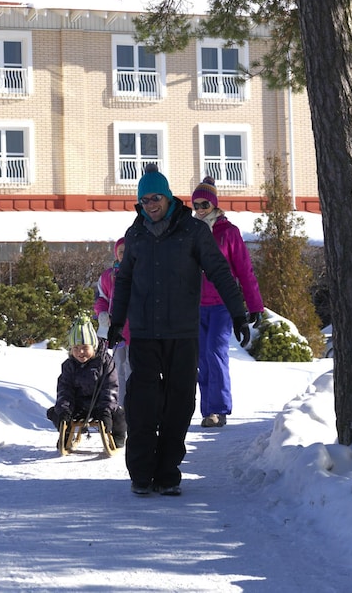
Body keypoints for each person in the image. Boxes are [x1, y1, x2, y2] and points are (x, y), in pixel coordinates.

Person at [107, 164, 249, 496]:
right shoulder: (136, 235)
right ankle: (141, 473)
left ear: (168, 197)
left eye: (156, 197)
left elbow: (219, 271)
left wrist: (238, 313)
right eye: (144, 200)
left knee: (180, 403)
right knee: (142, 404)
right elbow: (123, 280)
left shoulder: (193, 232)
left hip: (183, 333)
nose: (150, 204)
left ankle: (168, 472)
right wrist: (116, 322)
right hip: (143, 332)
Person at [191, 176, 264, 429]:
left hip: (222, 304)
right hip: (195, 305)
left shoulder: (228, 233)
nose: (200, 209)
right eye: (196, 205)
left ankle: (218, 409)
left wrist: (254, 305)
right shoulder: (190, 232)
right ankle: (207, 410)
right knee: (201, 357)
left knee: (215, 352)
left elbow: (245, 270)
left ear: (214, 204)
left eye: (204, 204)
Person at [46, 316, 127, 447]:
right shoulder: (69, 365)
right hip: (77, 406)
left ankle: (118, 436)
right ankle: (65, 433)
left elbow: (110, 388)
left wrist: (105, 410)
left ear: (93, 346)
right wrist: (64, 411)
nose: (80, 352)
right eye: (76, 348)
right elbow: (64, 390)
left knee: (119, 414)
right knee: (55, 412)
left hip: (100, 405)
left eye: (85, 347)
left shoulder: (105, 362)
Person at [94, 238, 130, 405]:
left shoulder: (141, 271)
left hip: (137, 329)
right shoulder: (108, 276)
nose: (124, 254)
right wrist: (102, 312)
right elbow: (102, 298)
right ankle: (119, 407)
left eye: (127, 250)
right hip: (117, 329)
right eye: (120, 251)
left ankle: (135, 407)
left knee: (133, 369)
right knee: (117, 369)